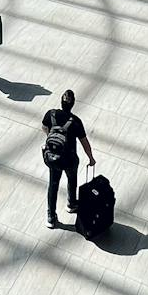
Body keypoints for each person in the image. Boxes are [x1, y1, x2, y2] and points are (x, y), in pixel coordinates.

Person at [41, 89, 94, 229]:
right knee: (72, 179)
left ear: (61, 101)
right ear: (73, 104)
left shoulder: (50, 114)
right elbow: (84, 143)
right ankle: (71, 203)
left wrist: (51, 137)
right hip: (69, 158)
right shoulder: (76, 121)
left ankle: (51, 217)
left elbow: (44, 127)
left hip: (53, 158)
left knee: (53, 185)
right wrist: (91, 158)